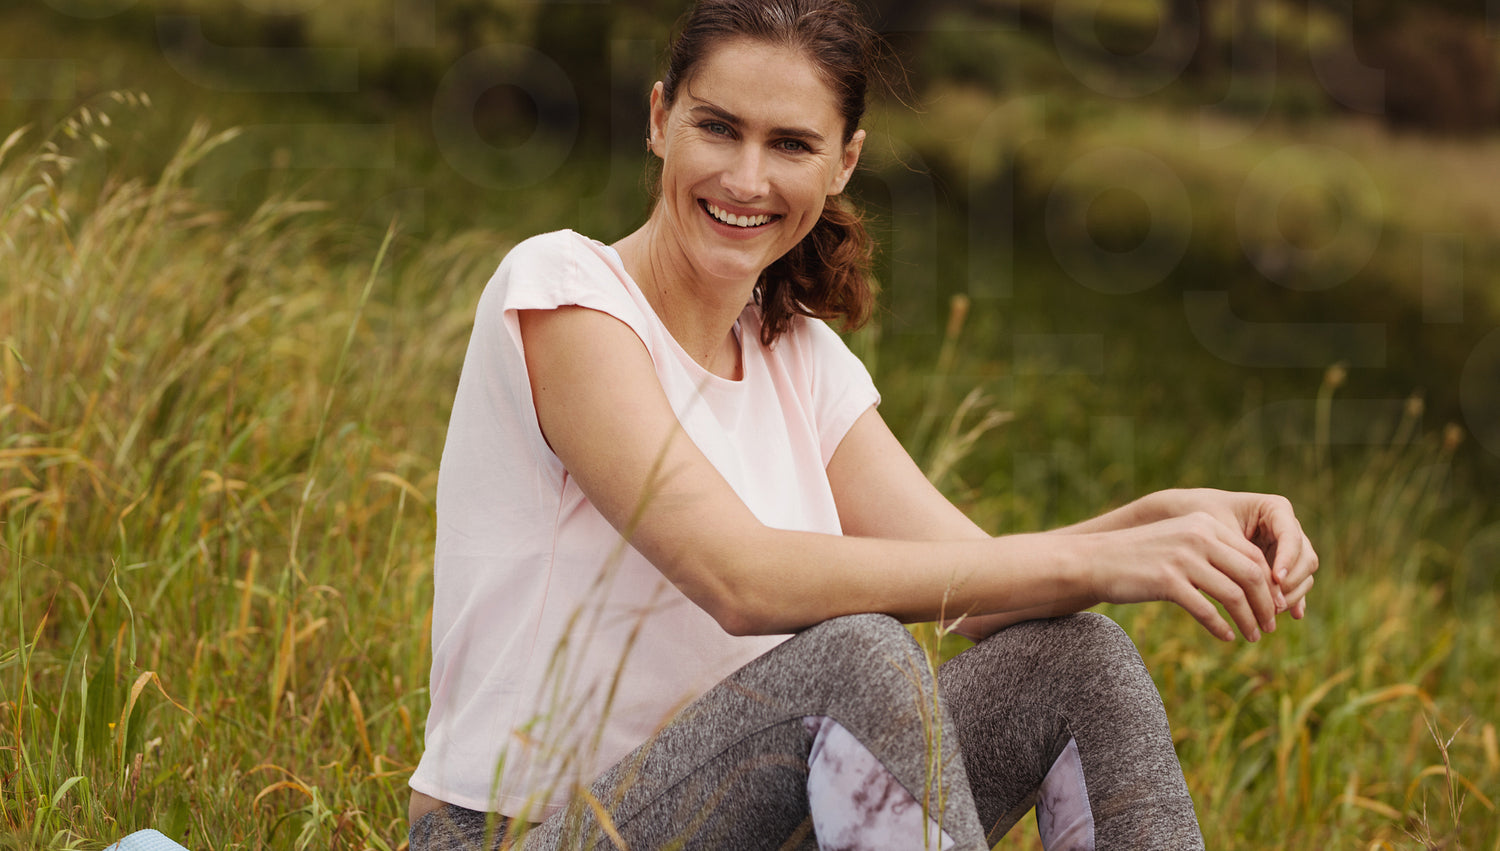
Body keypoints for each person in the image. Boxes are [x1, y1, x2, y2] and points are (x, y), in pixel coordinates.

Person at [406, 0, 1319, 848]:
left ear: (844, 161)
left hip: (745, 818)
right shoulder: (565, 293)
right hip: (525, 832)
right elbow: (738, 576)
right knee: (857, 658)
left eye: (791, 143)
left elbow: (980, 589)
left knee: (1080, 658)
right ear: (659, 118)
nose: (746, 177)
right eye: (717, 127)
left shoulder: (798, 357)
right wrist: (1107, 562)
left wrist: (1160, 520)